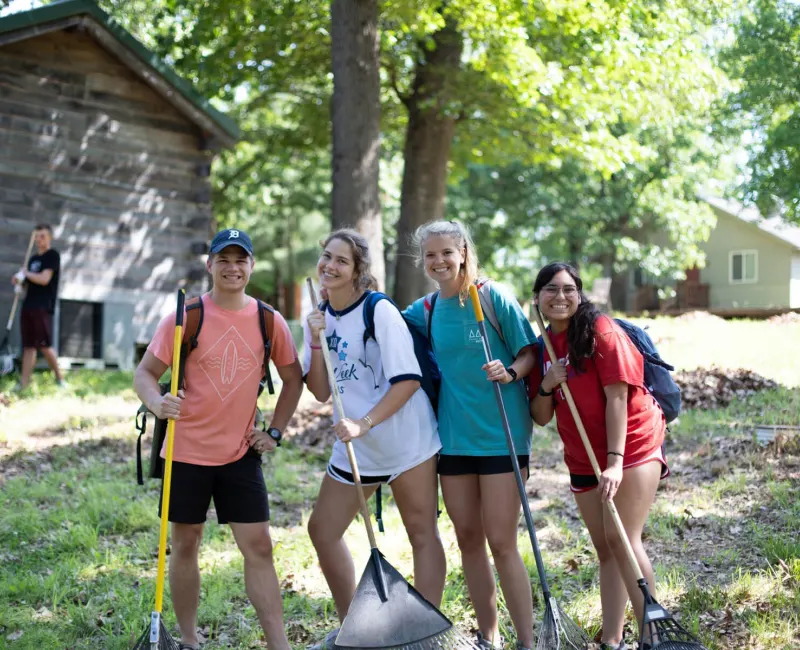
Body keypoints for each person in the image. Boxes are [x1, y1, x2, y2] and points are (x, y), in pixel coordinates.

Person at [134, 228, 304, 650]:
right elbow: (145, 374)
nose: (232, 267)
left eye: (240, 259)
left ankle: (279, 644)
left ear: (251, 266)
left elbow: (293, 379)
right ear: (209, 265)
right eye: (223, 260)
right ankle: (190, 641)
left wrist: (275, 432)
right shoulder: (186, 316)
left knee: (259, 547)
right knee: (186, 542)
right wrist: (157, 403)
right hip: (186, 452)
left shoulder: (269, 320)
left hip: (239, 453)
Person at [303, 229, 444, 650]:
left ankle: (426, 634)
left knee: (422, 532)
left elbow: (408, 382)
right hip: (356, 446)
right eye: (326, 256)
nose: (329, 266)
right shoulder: (319, 312)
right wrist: (313, 339)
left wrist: (364, 422)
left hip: (405, 440)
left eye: (341, 261)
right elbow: (320, 390)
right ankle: (355, 631)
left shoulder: (379, 311)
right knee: (323, 530)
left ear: (358, 270)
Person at [403, 220, 537, 650]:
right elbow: (378, 318)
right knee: (468, 539)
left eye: (446, 252)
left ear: (463, 252)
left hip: (502, 434)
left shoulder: (491, 296)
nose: (439, 261)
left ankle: (529, 641)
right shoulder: (424, 311)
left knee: (501, 540)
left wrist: (511, 371)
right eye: (430, 255)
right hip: (454, 438)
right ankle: (489, 634)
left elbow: (530, 350)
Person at [528, 262, 670, 650]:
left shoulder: (600, 331)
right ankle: (612, 640)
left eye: (569, 289)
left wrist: (613, 461)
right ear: (537, 297)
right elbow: (540, 417)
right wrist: (546, 384)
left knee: (623, 540)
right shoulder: (543, 345)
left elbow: (619, 397)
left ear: (580, 294)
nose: (560, 297)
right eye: (551, 290)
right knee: (606, 547)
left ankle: (652, 636)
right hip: (581, 457)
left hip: (632, 446)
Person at [10, 224, 65, 390]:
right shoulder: (32, 259)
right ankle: (24, 383)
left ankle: (60, 379)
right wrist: (19, 281)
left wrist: (26, 274)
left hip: (42, 306)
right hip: (28, 305)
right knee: (28, 346)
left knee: (44, 345)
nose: (39, 239)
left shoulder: (52, 256)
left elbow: (44, 279)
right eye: (37, 236)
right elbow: (29, 283)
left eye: (42, 236)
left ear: (49, 237)